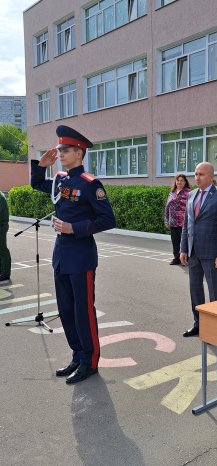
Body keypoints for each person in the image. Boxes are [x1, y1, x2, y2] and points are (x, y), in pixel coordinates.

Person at [31, 125, 116, 385]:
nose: (61, 154)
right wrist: (40, 166)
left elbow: (108, 219)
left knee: (83, 311)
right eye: (59, 150)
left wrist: (74, 228)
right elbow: (36, 184)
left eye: (65, 150)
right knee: (66, 310)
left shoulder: (91, 184)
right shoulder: (61, 180)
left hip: (81, 255)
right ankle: (77, 356)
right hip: (61, 254)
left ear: (79, 153)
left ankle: (90, 362)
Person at [180, 162, 217, 337]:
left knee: (215, 292)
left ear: (211, 176)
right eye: (195, 174)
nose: (197, 178)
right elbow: (187, 225)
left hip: (212, 254)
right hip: (193, 252)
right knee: (195, 290)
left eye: (201, 174)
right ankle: (199, 324)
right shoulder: (191, 195)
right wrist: (183, 249)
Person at [164, 174, 191, 265]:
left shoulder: (189, 193)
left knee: (184, 241)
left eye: (181, 180)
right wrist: (166, 220)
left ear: (185, 182)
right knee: (175, 241)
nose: (179, 182)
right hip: (173, 222)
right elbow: (167, 207)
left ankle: (186, 259)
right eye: (178, 180)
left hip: (184, 222)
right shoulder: (172, 193)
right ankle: (177, 258)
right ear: (175, 182)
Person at [0, 191, 11, 285]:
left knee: (2, 249)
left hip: (1, 227)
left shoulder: (0, 197)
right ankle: (1, 272)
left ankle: (5, 274)